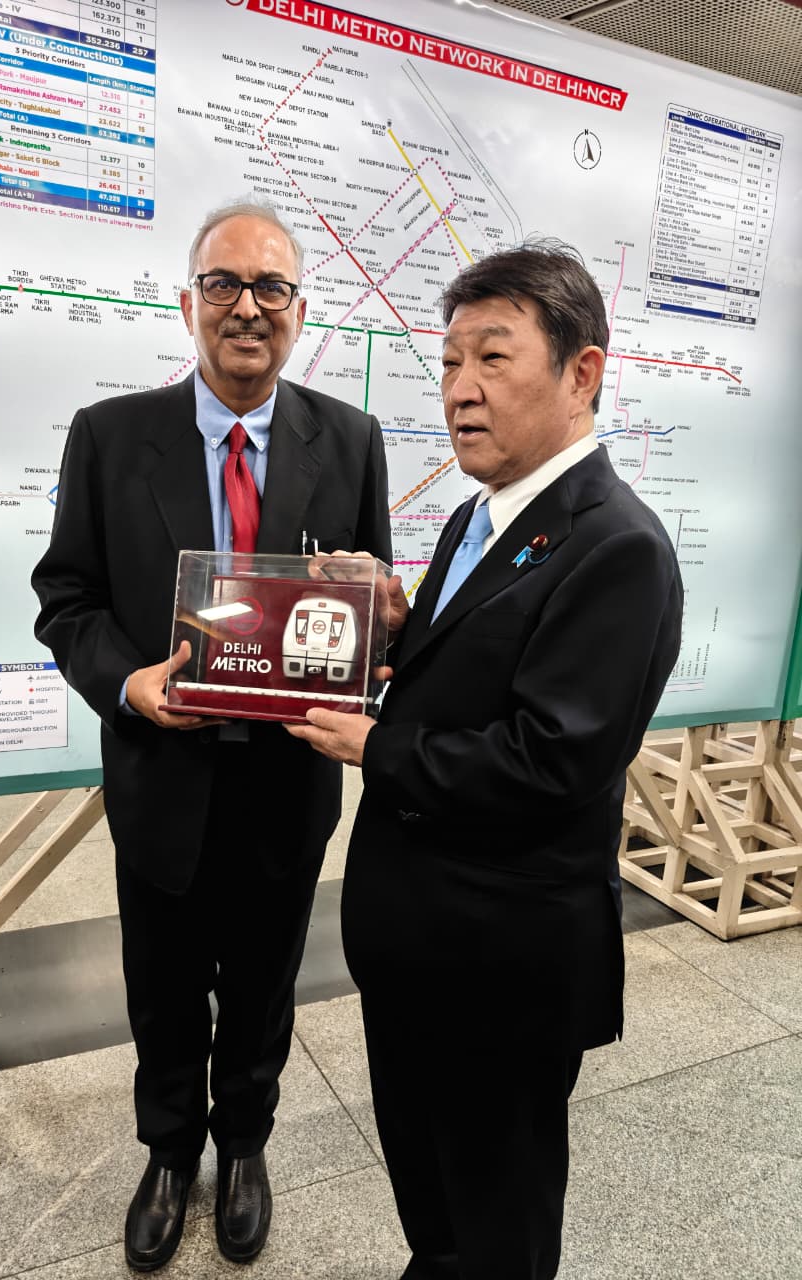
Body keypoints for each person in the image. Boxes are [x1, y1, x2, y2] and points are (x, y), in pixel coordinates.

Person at [288, 242, 683, 1280]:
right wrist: (402, 619)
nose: (459, 389)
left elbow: (552, 760)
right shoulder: (480, 512)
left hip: (504, 965)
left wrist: (377, 741)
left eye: (493, 358)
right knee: (434, 1197)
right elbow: (487, 663)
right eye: (451, 359)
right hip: (417, 941)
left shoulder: (619, 546)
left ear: (581, 372)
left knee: (499, 1222)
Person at [31, 198, 391, 1271]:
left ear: (298, 311)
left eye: (271, 288)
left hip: (287, 784)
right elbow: (67, 597)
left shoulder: (353, 439)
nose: (248, 307)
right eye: (226, 285)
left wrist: (371, 641)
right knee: (163, 978)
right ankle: (167, 1148)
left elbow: (367, 606)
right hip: (162, 775)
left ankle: (244, 1142)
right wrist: (129, 682)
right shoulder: (109, 436)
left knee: (267, 980)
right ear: (188, 302)